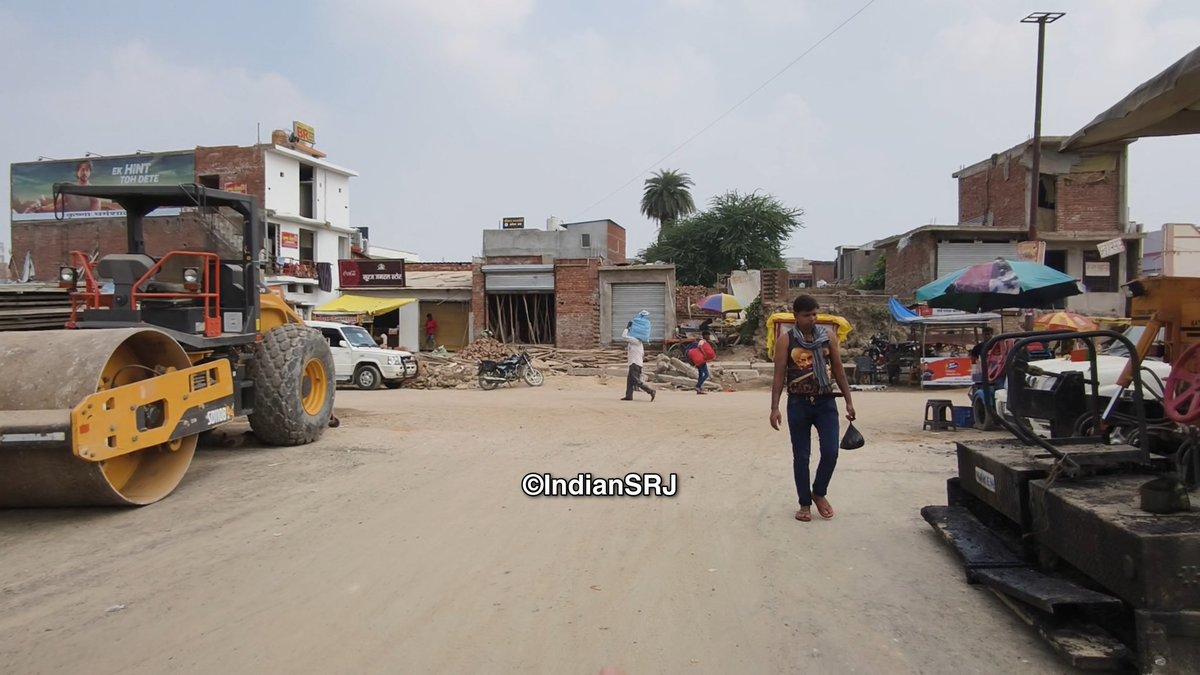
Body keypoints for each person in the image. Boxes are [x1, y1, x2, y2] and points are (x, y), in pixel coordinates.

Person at [770, 294, 856, 523]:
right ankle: (804, 503)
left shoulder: (828, 337)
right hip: (798, 404)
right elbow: (779, 376)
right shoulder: (786, 342)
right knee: (801, 456)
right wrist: (774, 407)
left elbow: (838, 370)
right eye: (807, 315)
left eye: (814, 314)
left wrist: (848, 400)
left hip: (826, 402)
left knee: (831, 451)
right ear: (796, 316)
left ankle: (819, 492)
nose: (812, 319)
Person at [620, 321, 656, 402]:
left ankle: (650, 391)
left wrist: (627, 327)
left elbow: (623, 336)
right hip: (635, 363)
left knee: (635, 380)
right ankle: (629, 396)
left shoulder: (635, 340)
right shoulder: (639, 342)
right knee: (630, 380)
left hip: (635, 364)